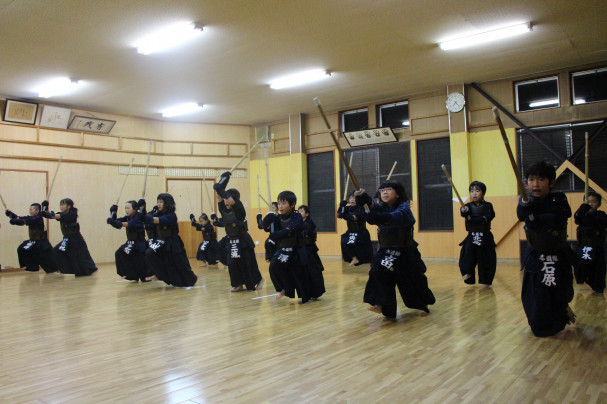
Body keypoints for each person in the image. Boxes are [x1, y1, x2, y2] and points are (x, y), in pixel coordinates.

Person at [356, 180, 435, 318]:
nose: (384, 192)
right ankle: (380, 305)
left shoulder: (404, 209)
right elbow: (376, 210)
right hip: (386, 250)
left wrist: (373, 213)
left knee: (412, 281)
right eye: (382, 190)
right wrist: (366, 200)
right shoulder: (383, 208)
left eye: (389, 189)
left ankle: (422, 302)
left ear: (398, 194)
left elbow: (390, 217)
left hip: (405, 251)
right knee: (377, 271)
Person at [517, 161, 577, 337]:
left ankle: (563, 312)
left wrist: (536, 216)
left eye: (541, 179)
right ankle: (539, 323)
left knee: (559, 289)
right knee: (535, 293)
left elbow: (557, 216)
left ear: (551, 182)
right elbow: (521, 214)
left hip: (556, 253)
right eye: (531, 179)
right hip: (536, 255)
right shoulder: (527, 201)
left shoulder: (558, 198)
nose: (535, 184)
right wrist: (526, 205)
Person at [213, 171, 263, 292]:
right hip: (232, 240)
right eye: (225, 198)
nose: (225, 200)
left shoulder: (239, 209)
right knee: (233, 263)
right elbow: (218, 193)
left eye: (227, 198)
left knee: (247, 263)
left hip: (243, 240)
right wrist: (223, 179)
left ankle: (258, 280)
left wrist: (224, 181)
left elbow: (222, 192)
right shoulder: (223, 209)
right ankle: (238, 284)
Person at [262, 191, 310, 303]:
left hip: (297, 249)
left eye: (283, 203)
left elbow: (292, 228)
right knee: (274, 266)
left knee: (298, 273)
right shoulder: (278, 218)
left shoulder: (297, 216)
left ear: (292, 204)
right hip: (284, 249)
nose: (280, 206)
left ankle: (305, 296)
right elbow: (264, 227)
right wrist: (268, 218)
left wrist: (279, 234)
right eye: (279, 203)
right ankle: (283, 289)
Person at [143, 193, 198, 287]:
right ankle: (161, 275)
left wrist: (144, 216)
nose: (158, 204)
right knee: (151, 253)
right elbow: (148, 220)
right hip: (162, 241)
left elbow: (156, 220)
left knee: (180, 263)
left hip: (173, 243)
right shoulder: (158, 213)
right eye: (158, 202)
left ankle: (190, 279)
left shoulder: (172, 215)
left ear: (167, 203)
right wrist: (142, 210)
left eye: (161, 202)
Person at [41, 198, 97, 276]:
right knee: (56, 252)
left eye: (63, 204)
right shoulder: (61, 213)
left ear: (69, 206)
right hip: (67, 239)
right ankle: (67, 269)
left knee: (79, 255)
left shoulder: (72, 214)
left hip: (75, 238)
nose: (61, 206)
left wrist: (44, 213)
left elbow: (53, 215)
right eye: (60, 204)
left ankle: (89, 269)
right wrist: (45, 206)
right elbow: (51, 214)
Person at [458, 181, 497, 286]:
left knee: (486, 259)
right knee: (466, 256)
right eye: (472, 191)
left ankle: (486, 280)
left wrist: (474, 219)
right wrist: (464, 211)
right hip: (472, 236)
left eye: (477, 191)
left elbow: (488, 216)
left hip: (485, 236)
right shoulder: (467, 206)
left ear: (483, 193)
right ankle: (468, 275)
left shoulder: (488, 206)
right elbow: (463, 213)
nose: (474, 193)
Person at [5, 203, 58, 273]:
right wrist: (10, 215)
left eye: (31, 209)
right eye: (29, 209)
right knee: (22, 249)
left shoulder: (37, 218)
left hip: (41, 243)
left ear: (37, 211)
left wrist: (15, 221)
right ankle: (32, 266)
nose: (30, 211)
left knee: (48, 262)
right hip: (34, 242)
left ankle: (57, 268)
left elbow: (23, 221)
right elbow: (19, 218)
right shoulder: (31, 217)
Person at [573, 191, 607, 293]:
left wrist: (588, 214)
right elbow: (577, 217)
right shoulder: (581, 214)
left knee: (598, 269)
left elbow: (600, 222)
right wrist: (582, 208)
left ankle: (598, 286)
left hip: (597, 248)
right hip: (585, 247)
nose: (591, 204)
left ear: (599, 204)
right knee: (583, 264)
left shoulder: (601, 215)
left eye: (594, 202)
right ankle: (582, 279)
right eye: (588, 201)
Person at [107, 200, 148, 282]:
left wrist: (117, 223)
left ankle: (144, 276)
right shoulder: (127, 217)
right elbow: (117, 222)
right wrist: (113, 213)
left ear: (135, 209)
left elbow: (130, 224)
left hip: (139, 243)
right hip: (130, 242)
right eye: (125, 208)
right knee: (119, 253)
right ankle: (130, 275)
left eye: (128, 208)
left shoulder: (139, 216)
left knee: (140, 265)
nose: (126, 210)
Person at [338, 192, 373, 266]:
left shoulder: (362, 208)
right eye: (350, 198)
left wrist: (343, 214)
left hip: (361, 232)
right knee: (344, 242)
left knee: (365, 252)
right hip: (350, 232)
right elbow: (339, 215)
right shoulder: (348, 208)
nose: (352, 200)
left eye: (354, 198)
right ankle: (354, 258)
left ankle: (372, 265)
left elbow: (354, 217)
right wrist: (342, 206)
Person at [298, 204, 326, 299]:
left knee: (313, 271)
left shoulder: (310, 224)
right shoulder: (299, 223)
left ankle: (315, 292)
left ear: (307, 214)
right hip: (301, 250)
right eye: (298, 211)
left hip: (309, 251)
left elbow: (306, 234)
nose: (299, 213)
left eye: (301, 211)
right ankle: (306, 292)